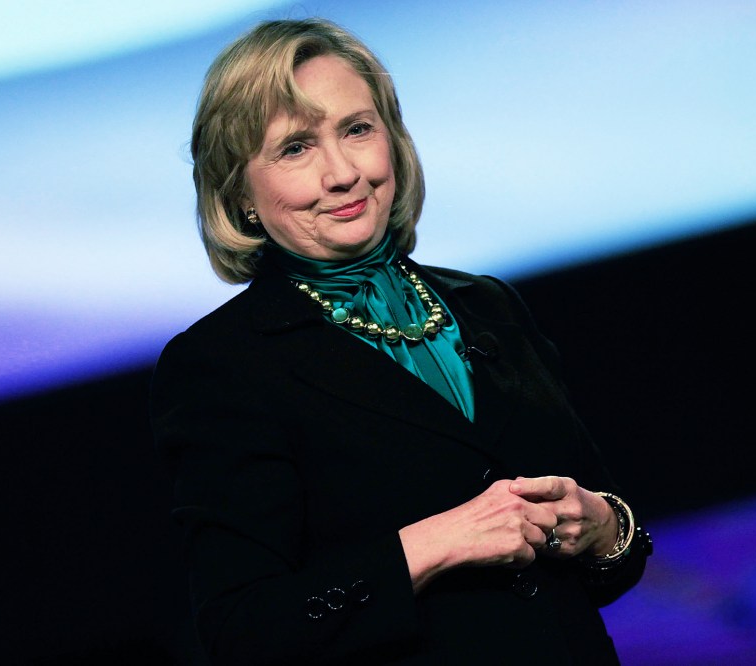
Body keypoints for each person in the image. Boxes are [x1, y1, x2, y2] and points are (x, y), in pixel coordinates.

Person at [150, 17, 652, 665]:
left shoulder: (486, 305)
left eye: (357, 130)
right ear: (241, 190)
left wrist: (604, 527)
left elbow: (607, 569)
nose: (341, 173)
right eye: (295, 148)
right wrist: (431, 546)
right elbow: (244, 632)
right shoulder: (222, 365)